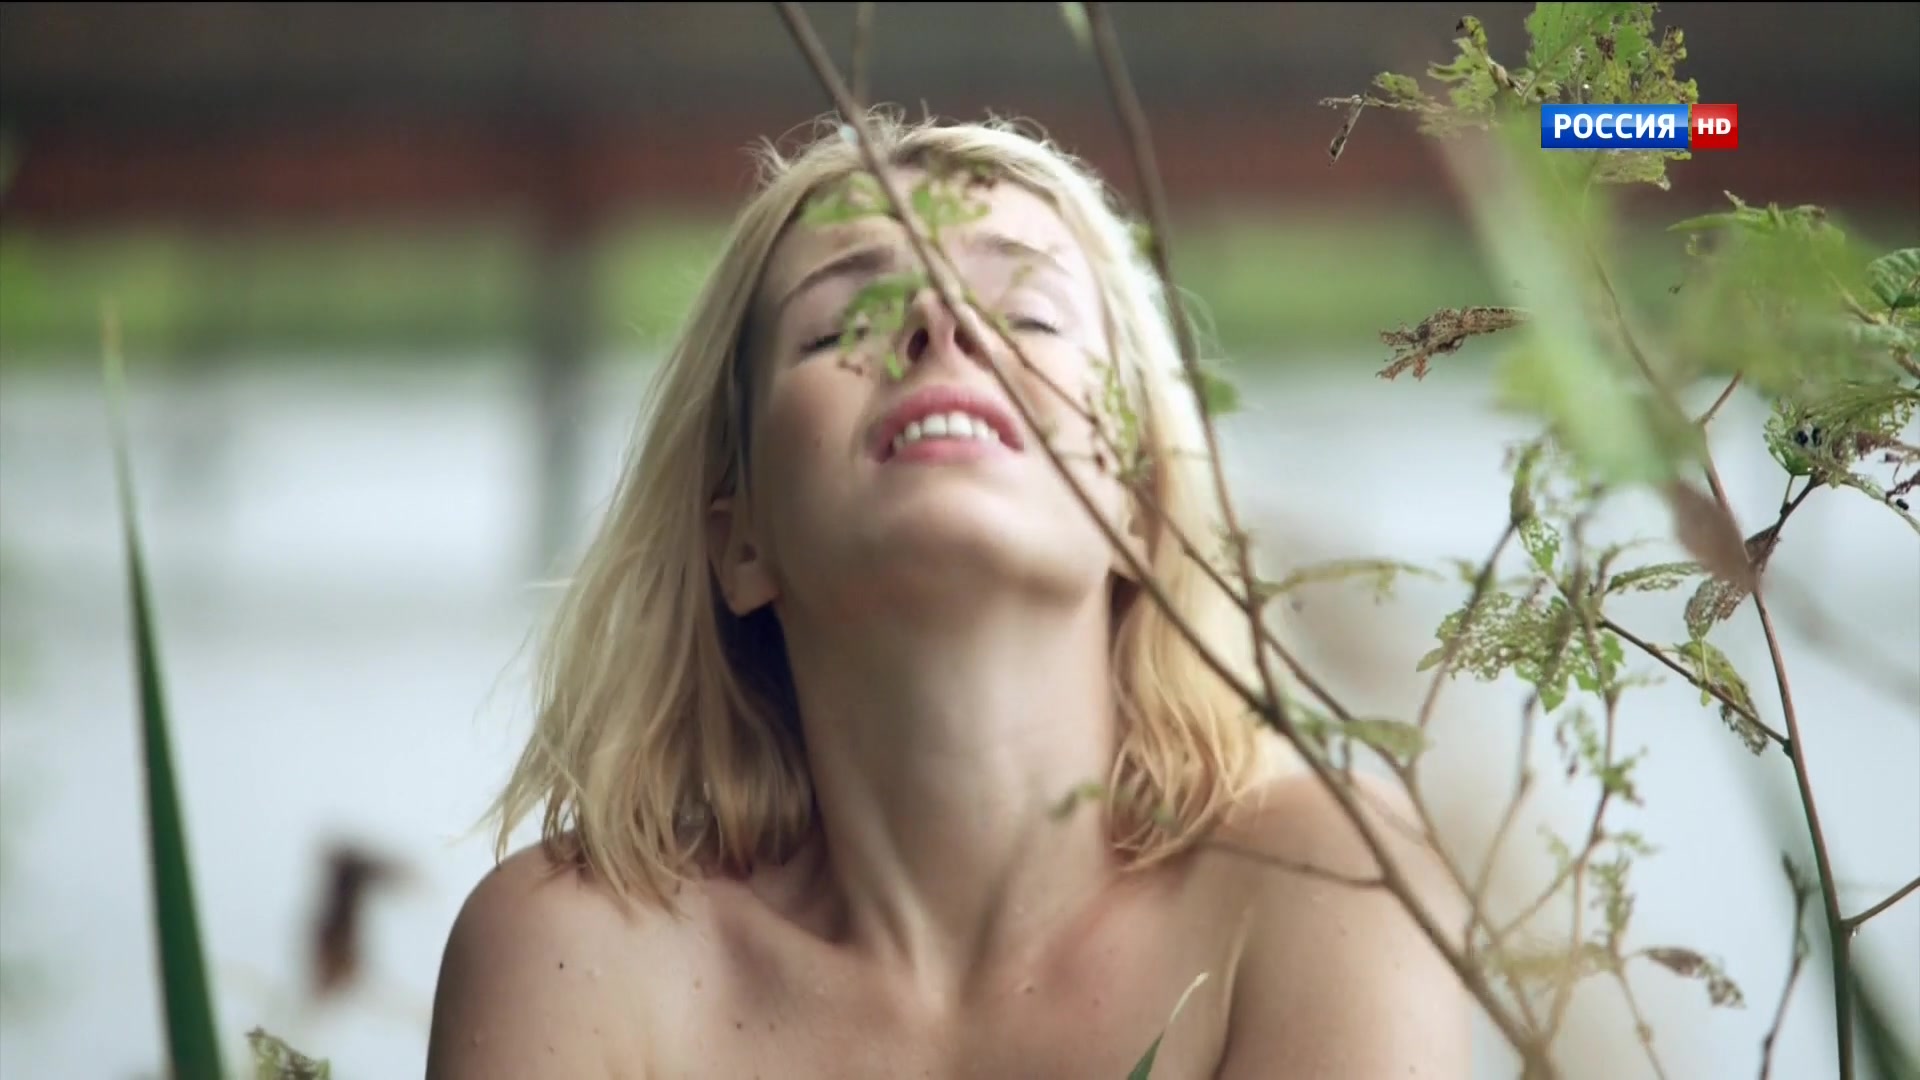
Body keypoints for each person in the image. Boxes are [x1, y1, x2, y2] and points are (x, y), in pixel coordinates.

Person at [425, 111, 1471, 1079]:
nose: (941, 324)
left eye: (1030, 314)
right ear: (738, 540)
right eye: (843, 324)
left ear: (1141, 506)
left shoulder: (1328, 879)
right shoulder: (576, 953)